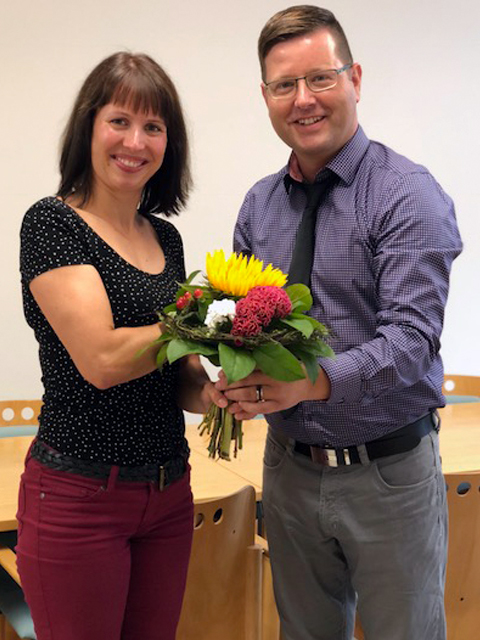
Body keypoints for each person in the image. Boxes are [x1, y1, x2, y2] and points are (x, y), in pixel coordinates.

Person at [217, 6, 463, 640]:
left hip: (388, 474)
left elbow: (411, 340)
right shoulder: (259, 205)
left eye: (320, 78)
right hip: (289, 468)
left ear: (354, 78)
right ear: (266, 96)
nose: (303, 99)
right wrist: (230, 375)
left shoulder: (406, 193)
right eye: (284, 85)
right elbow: (247, 326)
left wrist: (311, 382)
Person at [17, 52, 227, 640]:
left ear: (168, 145)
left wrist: (215, 392)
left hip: (168, 492)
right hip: (79, 495)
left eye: (153, 127)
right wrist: (199, 320)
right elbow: (104, 361)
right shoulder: (53, 224)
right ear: (88, 126)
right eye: (119, 121)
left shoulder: (166, 237)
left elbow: (178, 373)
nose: (135, 142)